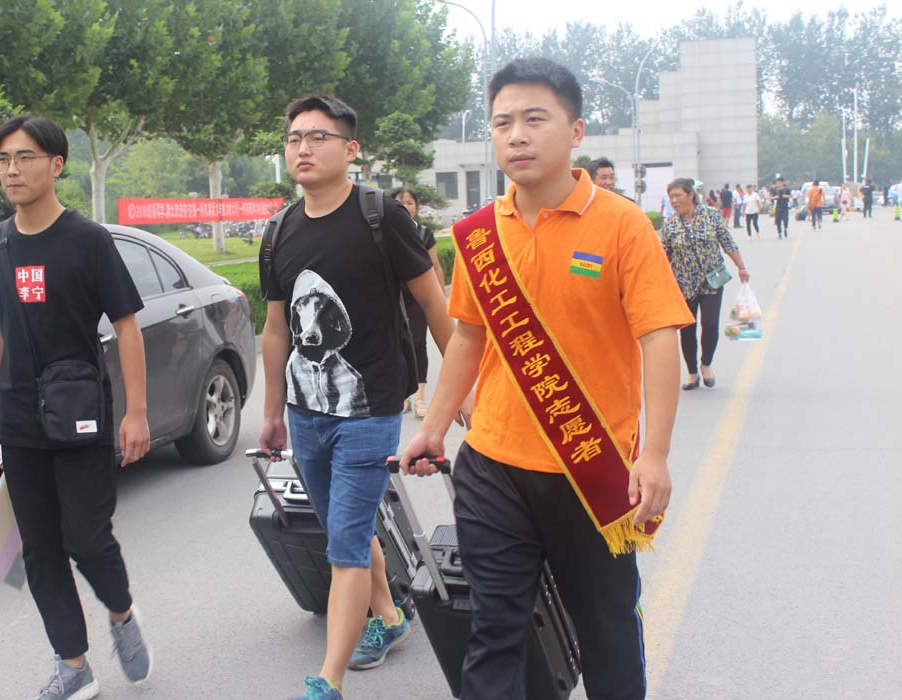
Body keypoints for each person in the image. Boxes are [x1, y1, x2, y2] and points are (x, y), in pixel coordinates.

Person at [398, 58, 694, 700]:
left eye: (535, 119)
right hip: (494, 466)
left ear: (576, 130)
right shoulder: (479, 234)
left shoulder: (622, 225)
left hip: (591, 467)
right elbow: (469, 337)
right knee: (493, 631)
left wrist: (656, 453)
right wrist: (433, 427)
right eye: (502, 122)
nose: (516, 135)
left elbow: (659, 337)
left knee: (608, 632)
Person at [258, 95, 465, 700]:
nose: (302, 148)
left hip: (370, 410)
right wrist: (271, 412)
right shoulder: (278, 231)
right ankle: (392, 618)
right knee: (344, 529)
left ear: (350, 149)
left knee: (345, 543)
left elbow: (435, 305)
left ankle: (328, 681)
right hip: (305, 414)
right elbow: (275, 329)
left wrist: (461, 391)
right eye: (294, 138)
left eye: (317, 137)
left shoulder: (381, 217)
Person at [0, 115, 153, 700]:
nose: (11, 170)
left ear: (56, 165)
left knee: (87, 539)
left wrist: (135, 413)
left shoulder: (87, 240)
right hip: (21, 421)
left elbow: (127, 326)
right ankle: (73, 665)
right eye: (3, 159)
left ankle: (121, 613)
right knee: (41, 551)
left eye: (24, 157)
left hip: (80, 414)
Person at [661, 178, 751, 390]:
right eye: (671, 197)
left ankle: (706, 364)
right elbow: (664, 256)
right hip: (683, 284)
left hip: (712, 280)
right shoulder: (670, 225)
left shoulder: (711, 216)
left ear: (691, 195)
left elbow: (727, 242)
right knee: (687, 330)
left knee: (710, 324)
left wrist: (741, 267)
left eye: (678, 196)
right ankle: (692, 372)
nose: (674, 201)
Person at [391, 187, 448, 420]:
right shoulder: (386, 231)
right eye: (401, 202)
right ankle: (404, 396)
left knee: (418, 343)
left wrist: (441, 298)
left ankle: (419, 398)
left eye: (410, 202)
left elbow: (436, 267)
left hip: (419, 298)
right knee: (397, 344)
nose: (406, 207)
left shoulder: (424, 234)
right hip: (394, 297)